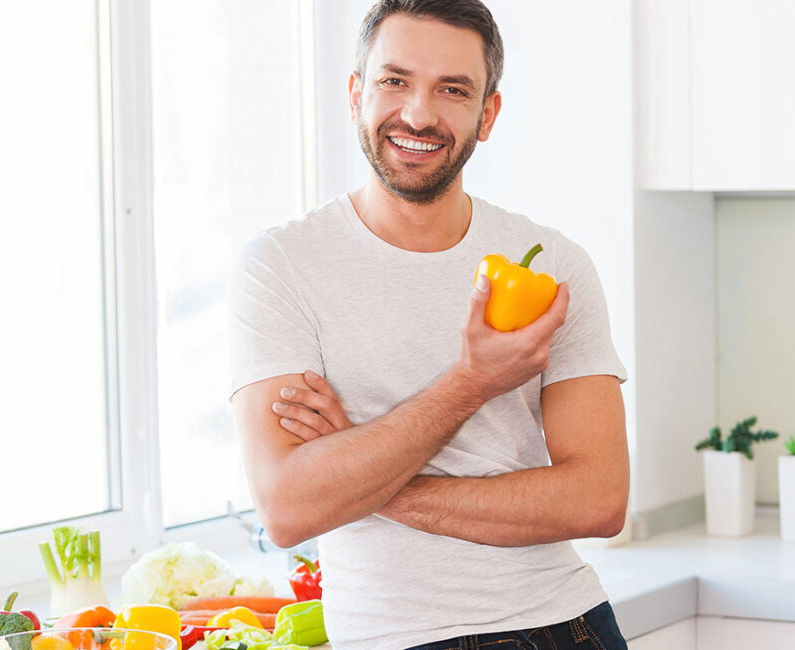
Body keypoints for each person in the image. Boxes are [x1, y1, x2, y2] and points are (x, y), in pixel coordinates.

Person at [228, 1, 630, 647]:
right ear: (356, 93)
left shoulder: (552, 266)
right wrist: (472, 382)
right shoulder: (282, 265)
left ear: (487, 115)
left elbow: (598, 500)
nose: (418, 115)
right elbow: (288, 510)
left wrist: (363, 478)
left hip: (564, 626)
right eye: (395, 80)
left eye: (452, 90)